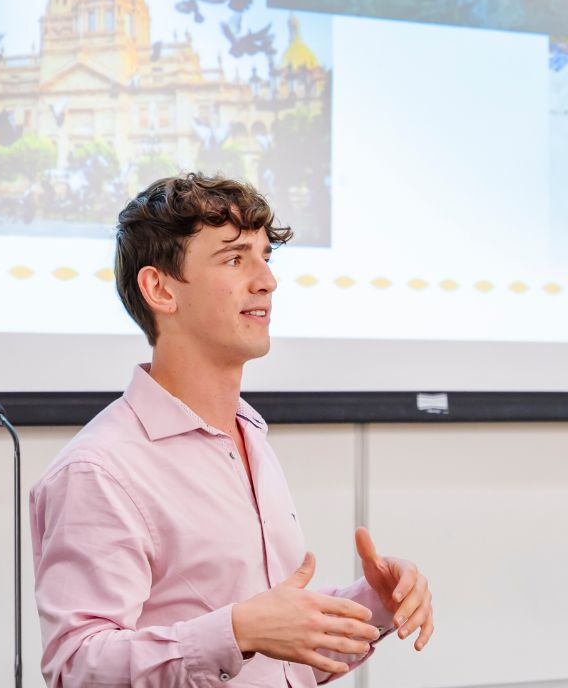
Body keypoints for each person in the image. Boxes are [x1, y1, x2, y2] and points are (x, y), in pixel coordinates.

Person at [30, 173, 433, 686]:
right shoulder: (99, 470)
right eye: (235, 258)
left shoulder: (250, 435)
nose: (267, 279)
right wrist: (236, 631)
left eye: (266, 256)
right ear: (159, 288)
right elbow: (76, 668)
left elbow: (278, 654)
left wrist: (372, 604)